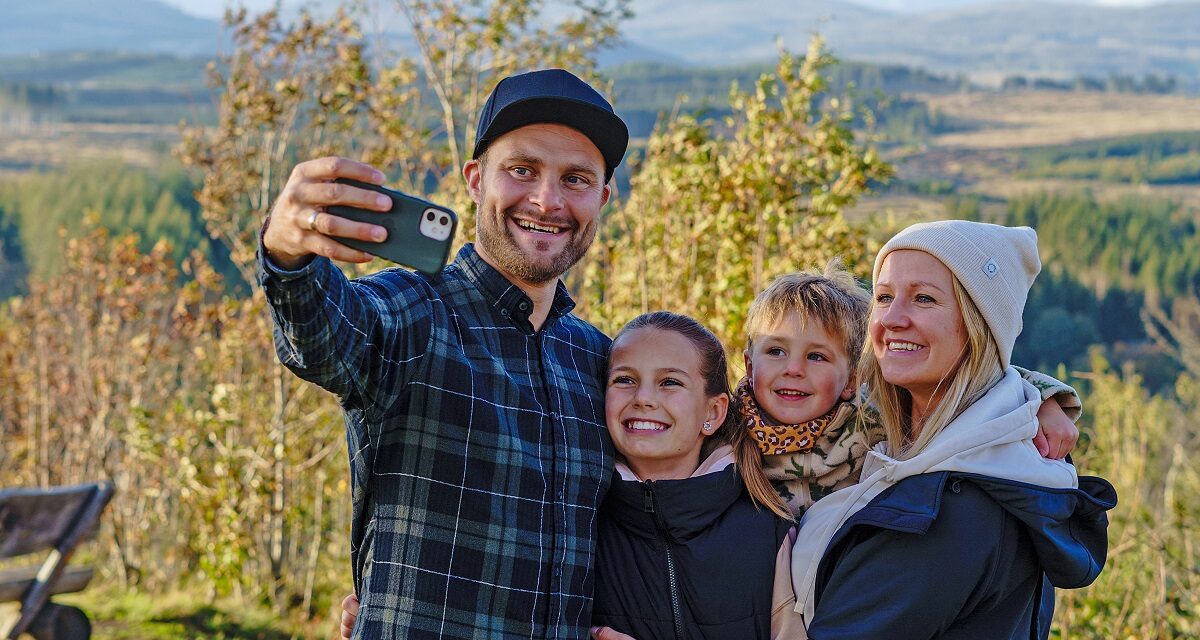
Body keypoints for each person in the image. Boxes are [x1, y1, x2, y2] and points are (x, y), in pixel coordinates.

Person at [260, 68, 628, 638]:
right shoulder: (415, 311)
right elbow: (327, 337)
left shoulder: (602, 363)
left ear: (602, 198)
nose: (547, 200)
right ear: (476, 180)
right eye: (522, 170)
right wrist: (288, 254)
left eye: (575, 179)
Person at [790, 220, 1117, 639]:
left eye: (924, 299)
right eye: (885, 296)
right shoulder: (892, 438)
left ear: (980, 326)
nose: (891, 318)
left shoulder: (950, 509)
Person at [740, 262, 1082, 518]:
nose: (793, 369)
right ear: (749, 365)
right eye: (775, 351)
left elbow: (975, 377)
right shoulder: (725, 432)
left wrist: (1043, 402)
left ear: (851, 381)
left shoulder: (870, 420)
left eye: (817, 356)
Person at [589, 312, 801, 639]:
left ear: (712, 412)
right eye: (624, 380)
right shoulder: (580, 524)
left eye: (670, 382)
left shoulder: (768, 531)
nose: (643, 398)